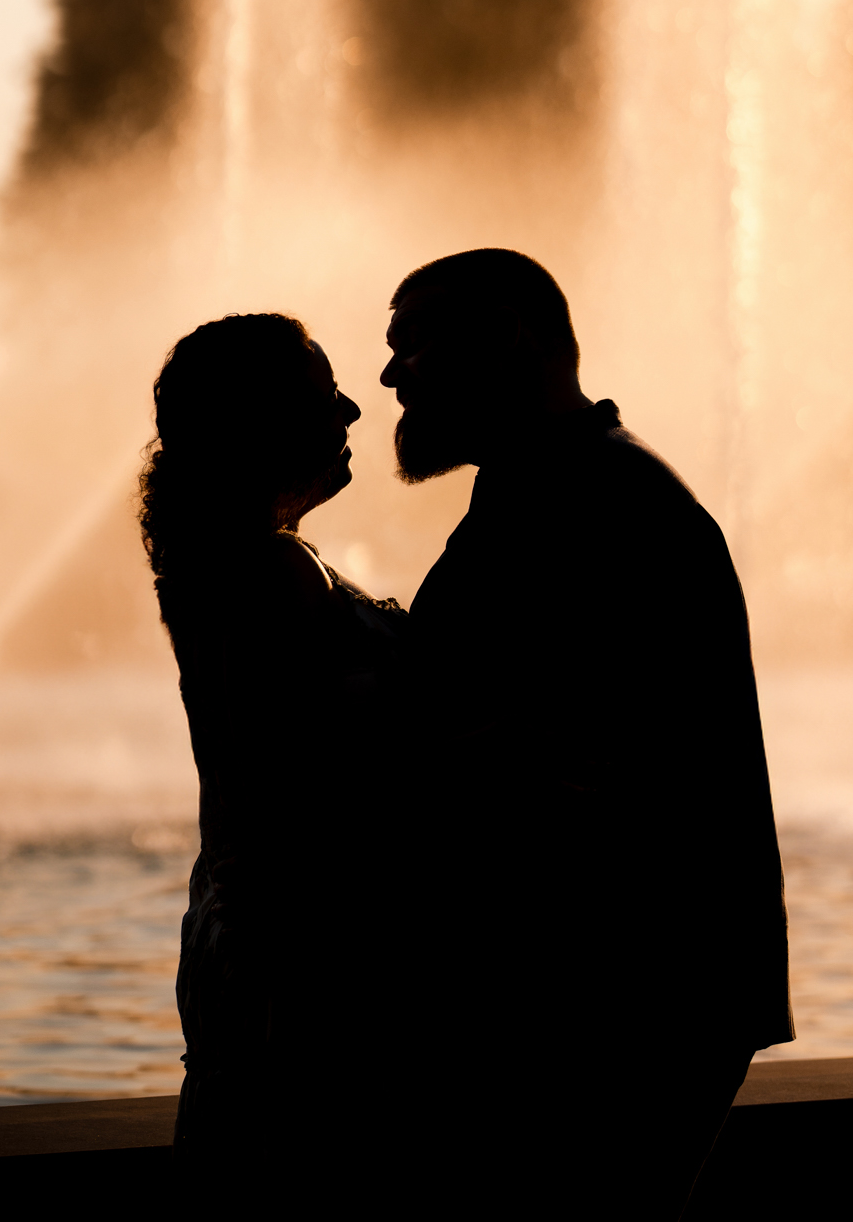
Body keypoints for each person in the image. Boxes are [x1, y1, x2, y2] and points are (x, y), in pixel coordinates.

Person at [383, 247, 793, 1219]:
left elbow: (575, 769)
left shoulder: (598, 505)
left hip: (611, 1004)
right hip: (618, 994)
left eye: (415, 342)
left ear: (511, 335)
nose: (393, 375)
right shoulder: (559, 488)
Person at [139, 312, 407, 1177]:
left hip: (249, 931)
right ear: (261, 423)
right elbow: (300, 779)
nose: (354, 411)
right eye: (324, 393)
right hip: (298, 948)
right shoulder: (269, 573)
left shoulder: (233, 562)